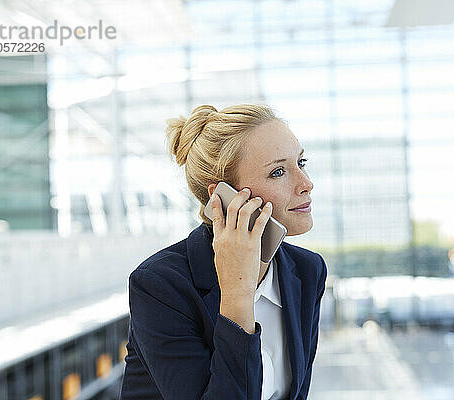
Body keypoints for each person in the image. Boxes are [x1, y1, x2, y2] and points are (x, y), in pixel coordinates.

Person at [118, 104, 327, 400]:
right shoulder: (160, 285)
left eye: (301, 162)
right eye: (278, 172)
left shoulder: (307, 270)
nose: (306, 184)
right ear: (223, 197)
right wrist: (238, 295)